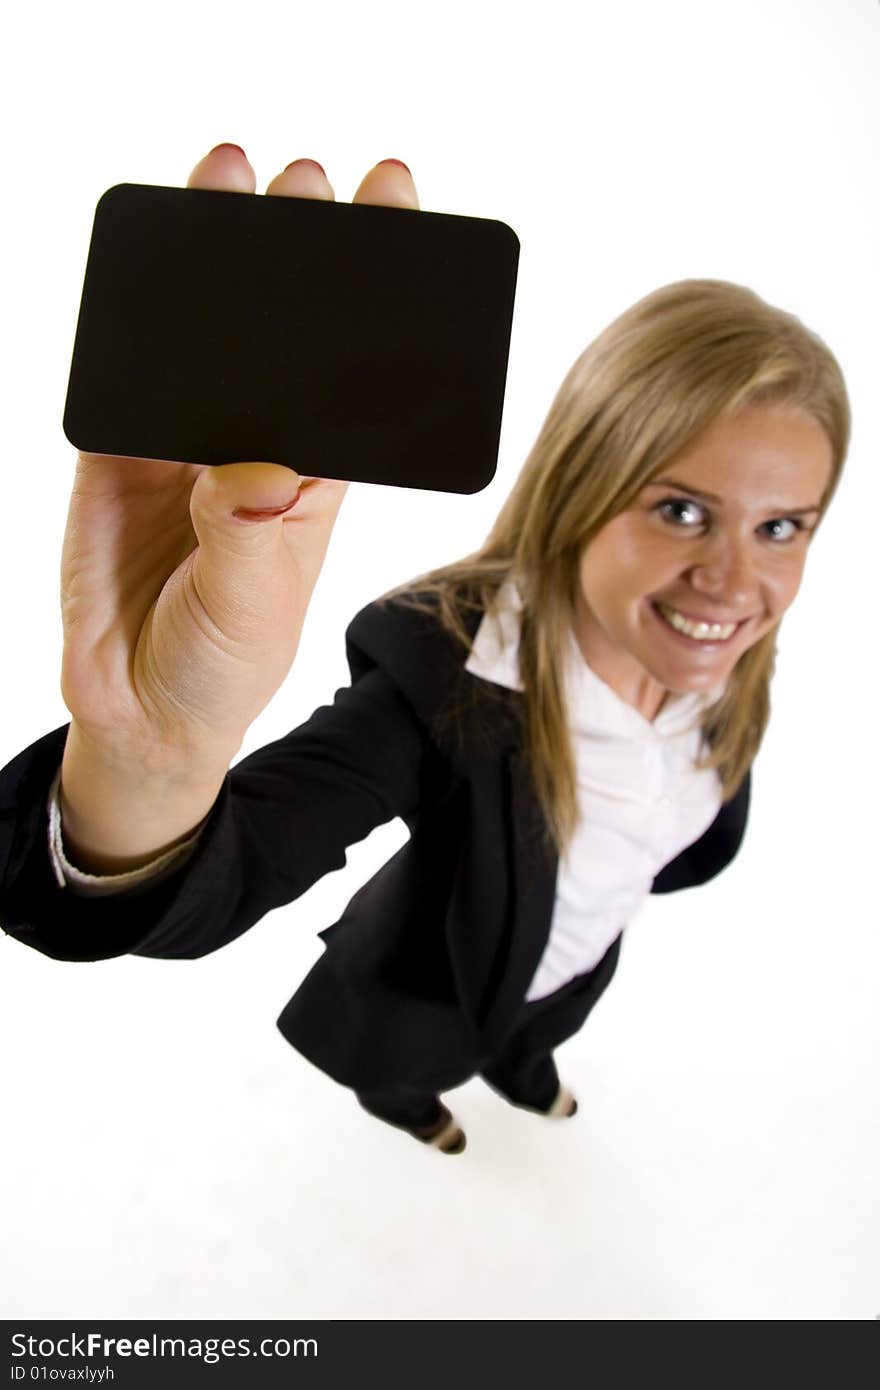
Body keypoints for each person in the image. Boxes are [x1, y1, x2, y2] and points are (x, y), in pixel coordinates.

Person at [0, 145, 850, 1155]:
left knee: (534, 1029)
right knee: (409, 1062)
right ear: (582, 485)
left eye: (782, 527)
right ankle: (409, 1105)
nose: (734, 583)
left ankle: (525, 1067)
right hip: (426, 983)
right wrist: (151, 750)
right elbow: (243, 864)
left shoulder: (724, 659)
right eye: (679, 509)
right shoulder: (439, 674)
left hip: (568, 962)